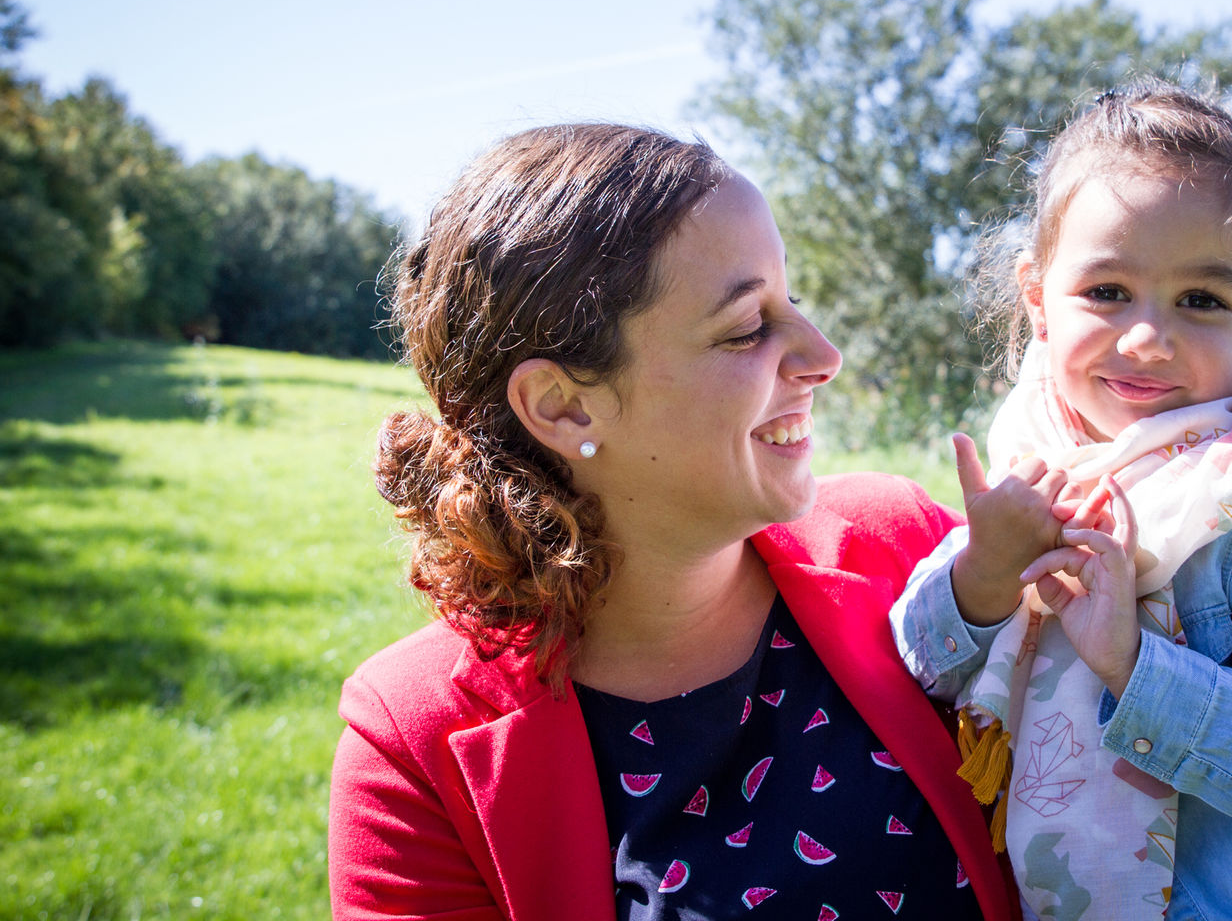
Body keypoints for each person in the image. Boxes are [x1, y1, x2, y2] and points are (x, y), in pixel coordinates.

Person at [328, 124, 1015, 920]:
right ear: (563, 405)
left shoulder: (910, 550)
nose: (823, 355)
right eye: (746, 327)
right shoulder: (411, 748)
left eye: (793, 301)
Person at [890, 81, 1232, 920]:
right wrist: (983, 576)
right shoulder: (1031, 466)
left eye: (1202, 299)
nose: (1148, 338)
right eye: (1107, 292)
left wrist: (1134, 662)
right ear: (1037, 296)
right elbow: (919, 668)